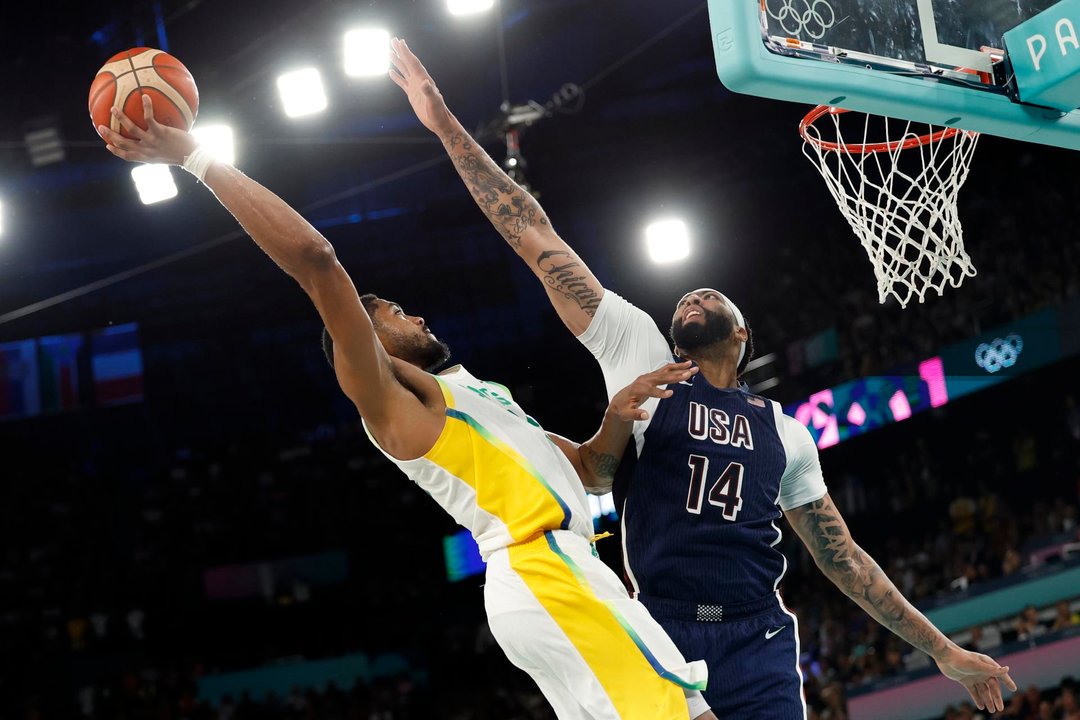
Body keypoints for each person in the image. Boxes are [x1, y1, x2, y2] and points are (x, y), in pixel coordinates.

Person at [388, 37, 1020, 717]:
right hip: (659, 624)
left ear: (742, 335)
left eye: (712, 297)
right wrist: (445, 125)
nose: (693, 296)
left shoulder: (785, 434)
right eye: (686, 297)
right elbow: (535, 238)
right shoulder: (638, 349)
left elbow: (846, 562)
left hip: (758, 637)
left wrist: (942, 650)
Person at [97, 96, 718, 720]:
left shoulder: (479, 394)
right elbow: (317, 262)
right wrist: (195, 157)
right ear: (367, 344)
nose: (415, 314)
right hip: (545, 572)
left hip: (557, 575)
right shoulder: (397, 402)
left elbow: (593, 474)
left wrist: (619, 411)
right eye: (393, 312)